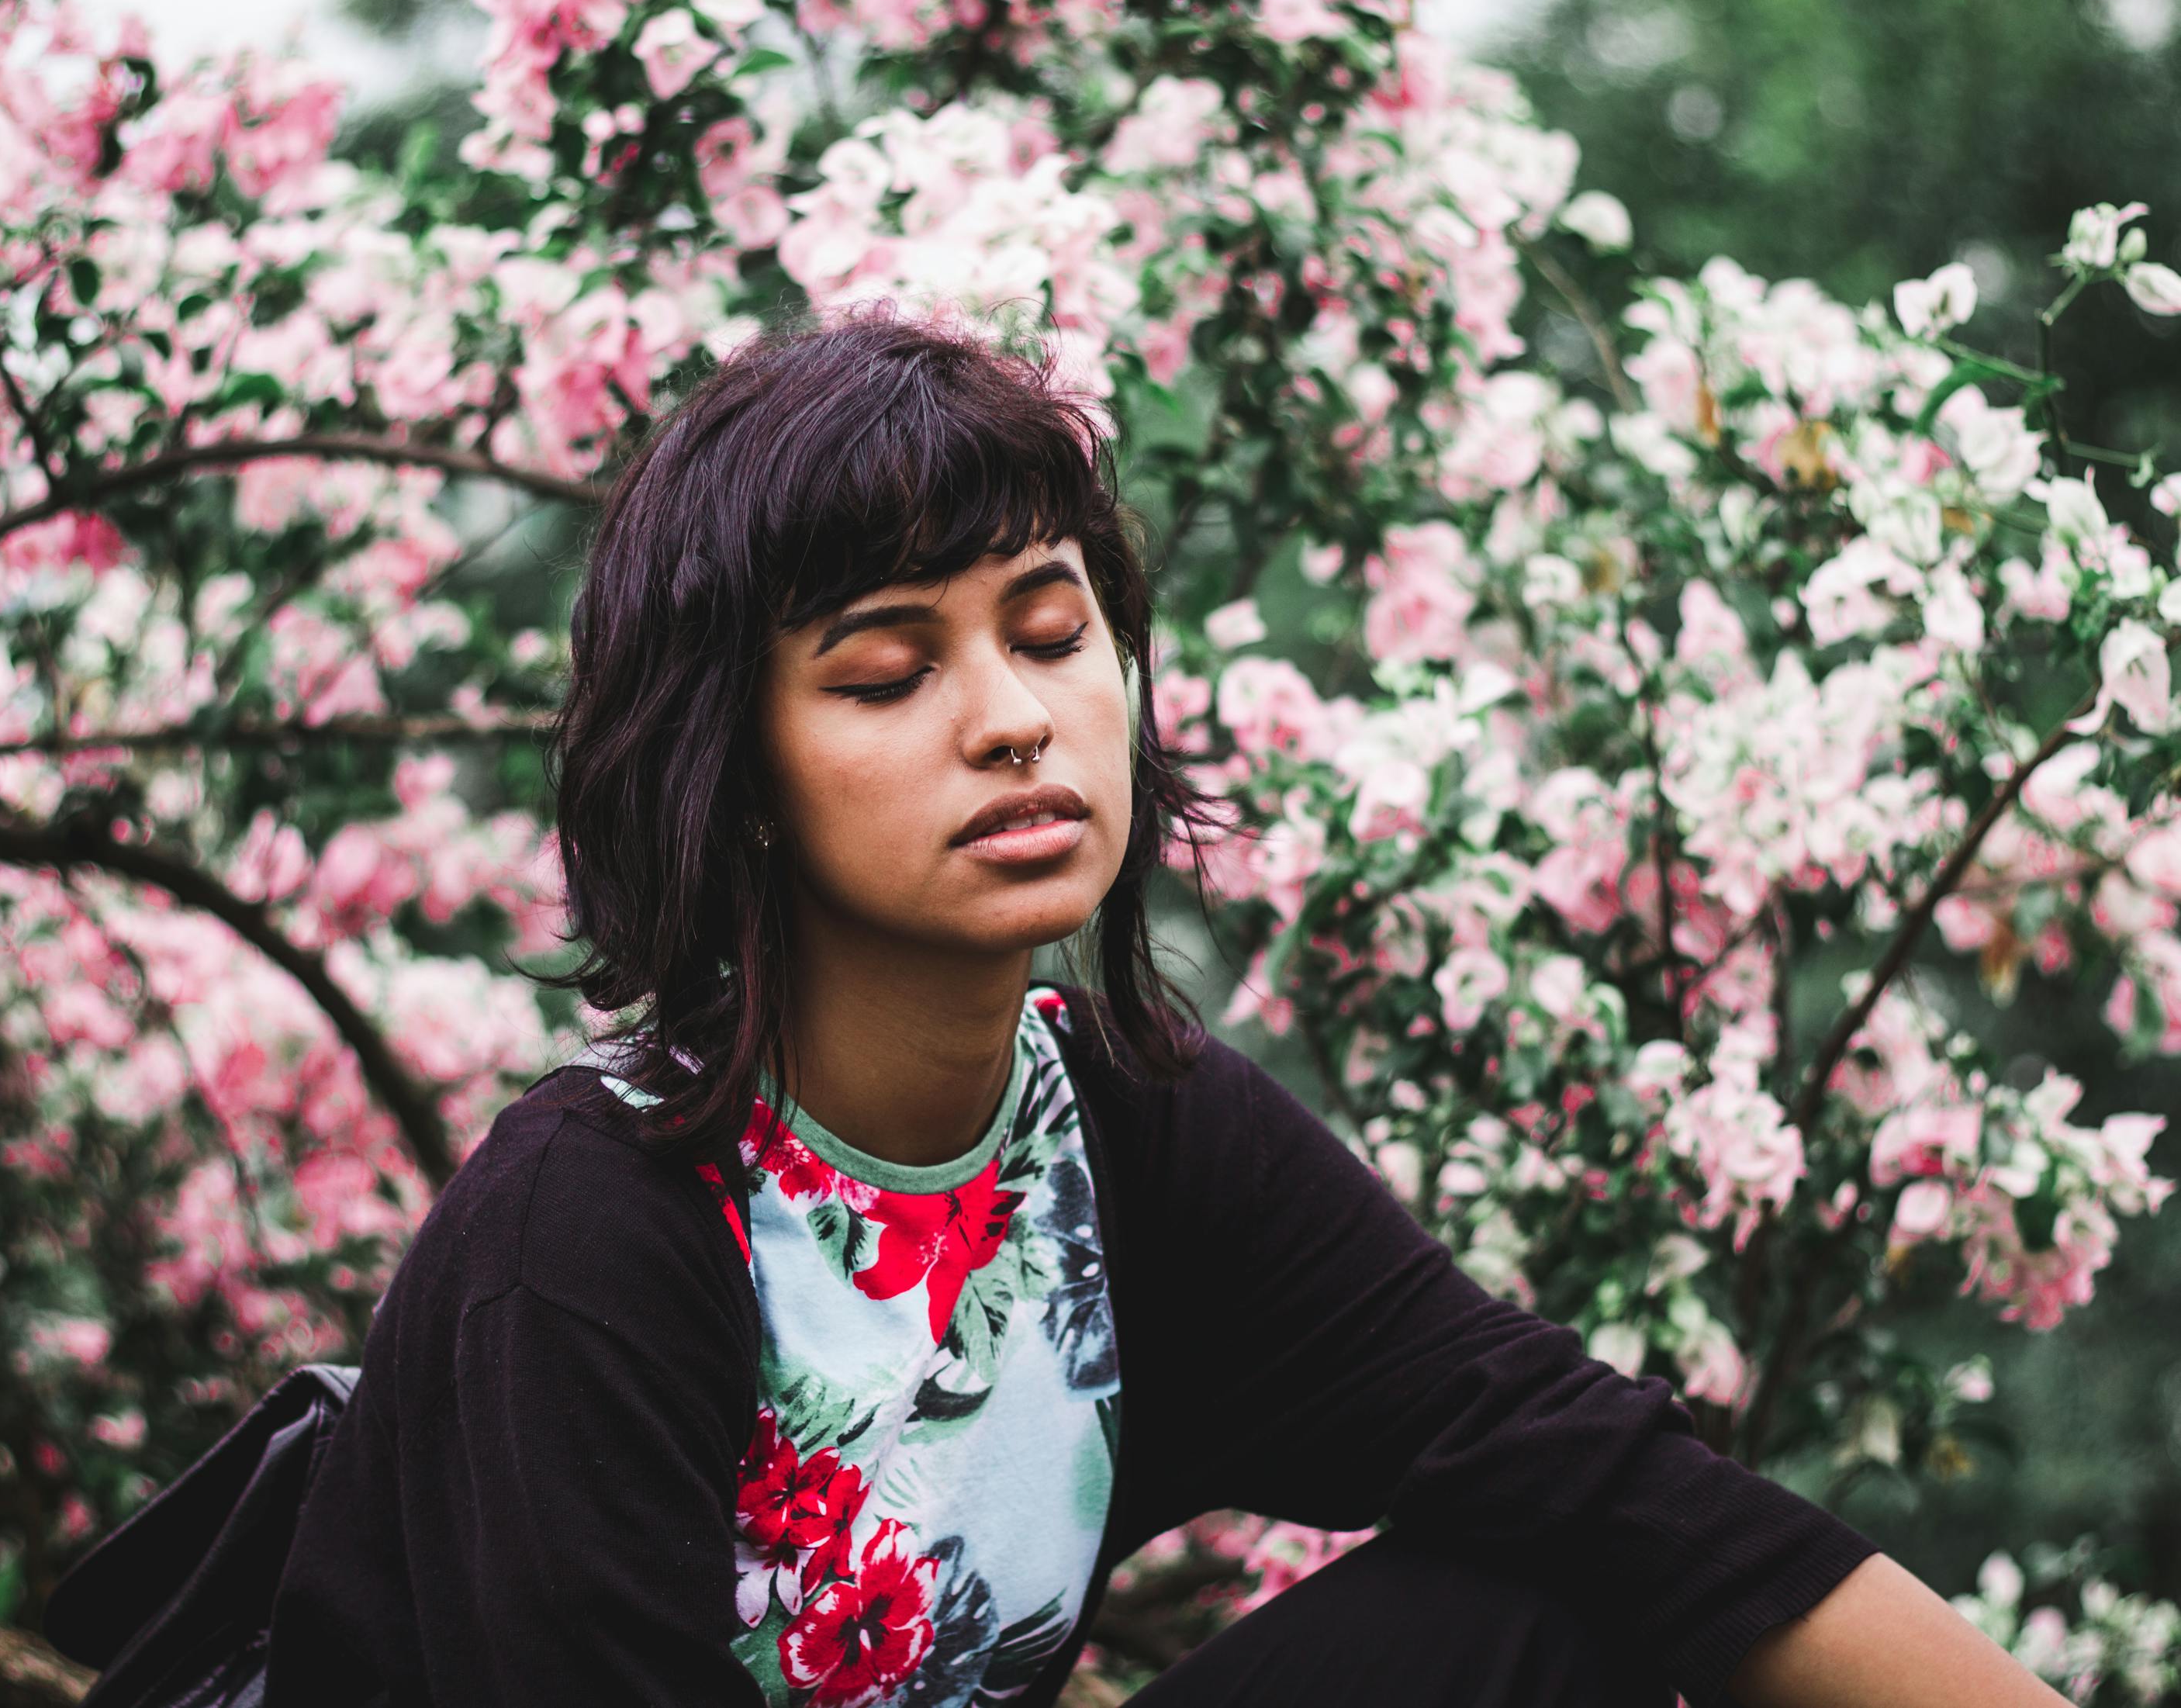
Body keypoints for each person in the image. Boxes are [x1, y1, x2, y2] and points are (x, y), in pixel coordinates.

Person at [262, 308, 2069, 1708]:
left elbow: (1601, 1476)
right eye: (890, 672)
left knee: (1539, 1604)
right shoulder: (590, 1234)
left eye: (1051, 633)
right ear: (734, 773)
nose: (1009, 717)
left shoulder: (1125, 1131)